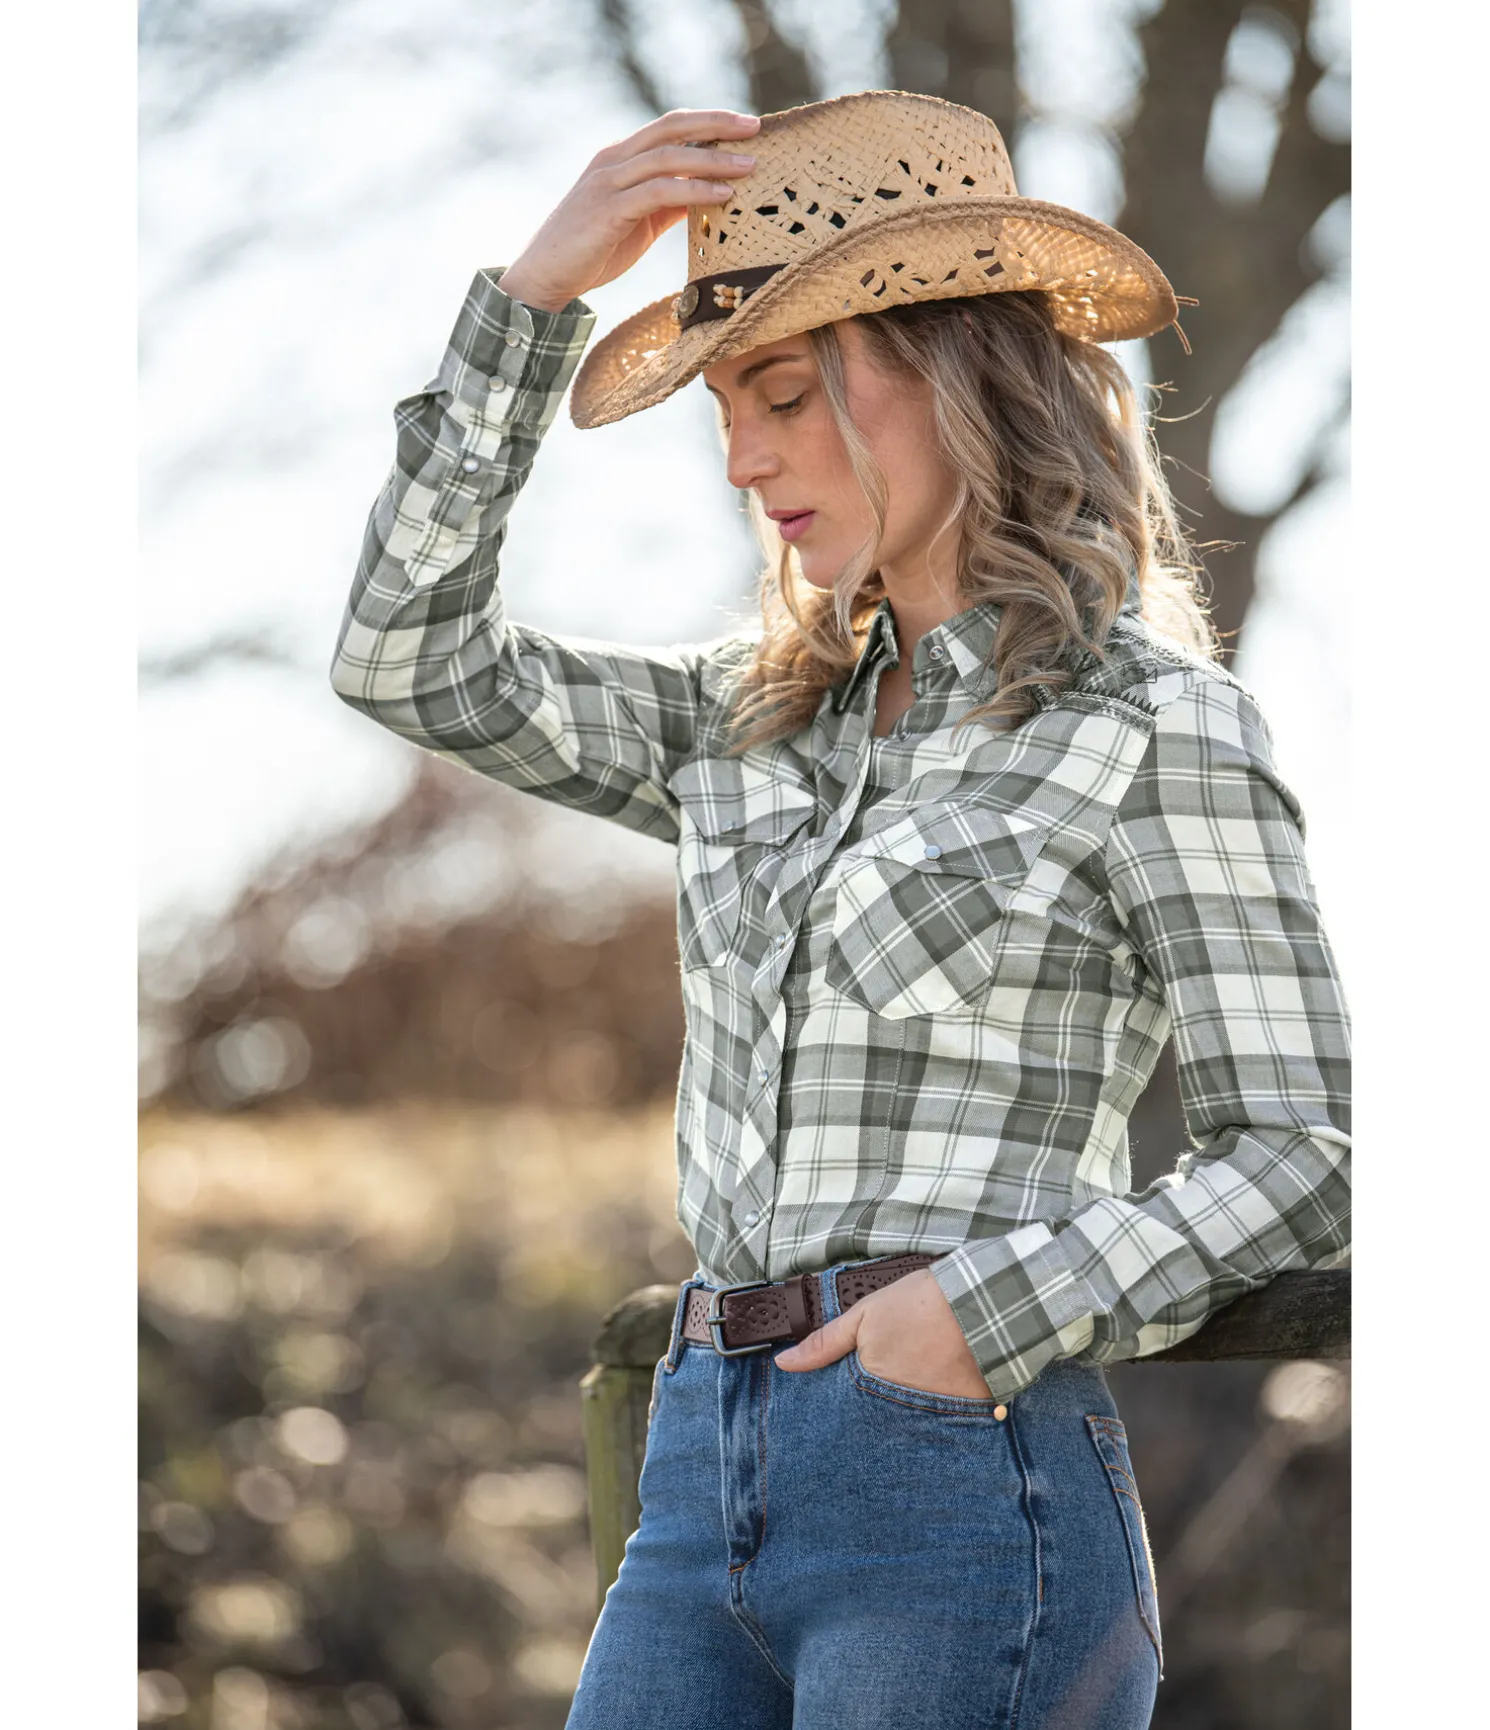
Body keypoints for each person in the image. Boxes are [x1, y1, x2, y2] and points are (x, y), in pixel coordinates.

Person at [330, 91, 1350, 1730]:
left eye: (787, 395)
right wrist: (530, 305)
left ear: (954, 369)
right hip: (697, 1460)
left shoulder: (1152, 725)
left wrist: (970, 1317)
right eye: (725, 411)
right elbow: (408, 659)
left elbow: (1303, 1153)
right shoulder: (745, 725)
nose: (747, 460)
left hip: (957, 1481)